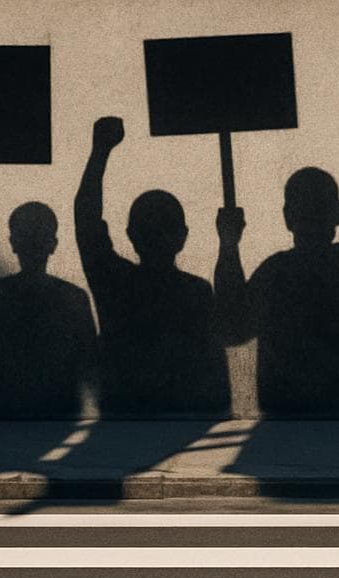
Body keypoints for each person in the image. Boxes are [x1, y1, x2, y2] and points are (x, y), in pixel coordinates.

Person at [214, 92, 339, 417]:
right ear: (338, 213)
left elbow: (233, 328)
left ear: (287, 216)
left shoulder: (274, 274)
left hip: (289, 435)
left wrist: (228, 245)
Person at [74, 116, 231, 418]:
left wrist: (100, 153)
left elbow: (86, 222)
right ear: (183, 237)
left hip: (121, 421)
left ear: (131, 235)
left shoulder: (115, 282)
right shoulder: (196, 293)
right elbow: (214, 377)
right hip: (180, 423)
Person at [0, 202, 96, 418]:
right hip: (56, 414)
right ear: (53, 244)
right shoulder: (72, 297)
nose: (33, 242)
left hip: (6, 414)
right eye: (28, 234)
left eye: (37, 235)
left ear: (13, 243)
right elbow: (89, 360)